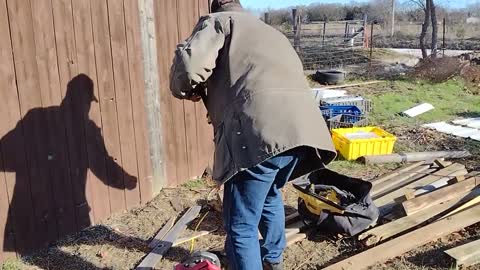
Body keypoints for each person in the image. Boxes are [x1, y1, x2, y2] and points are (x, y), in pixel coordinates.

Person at [170, 1, 336, 269]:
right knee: (269, 193)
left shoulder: (220, 22)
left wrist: (183, 88)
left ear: (217, 5)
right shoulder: (270, 31)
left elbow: (188, 69)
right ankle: (272, 260)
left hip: (258, 132)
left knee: (240, 226)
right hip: (302, 133)